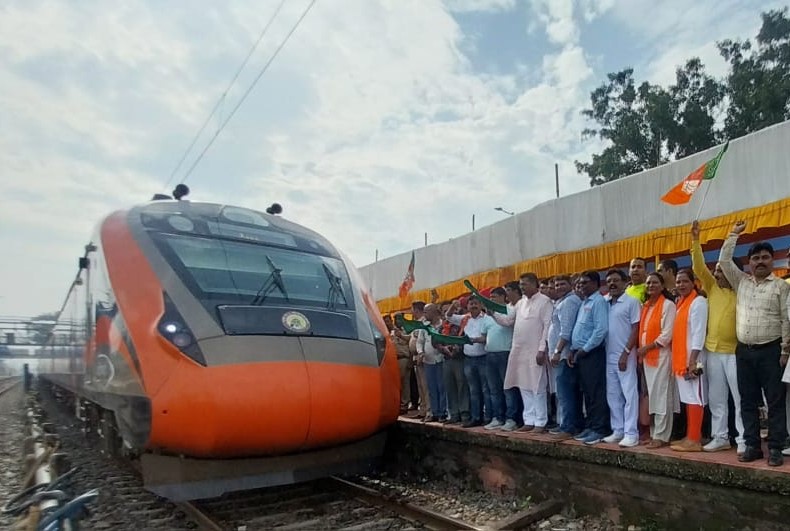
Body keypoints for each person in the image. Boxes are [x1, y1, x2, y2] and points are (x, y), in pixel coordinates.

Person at [719, 221, 790, 466]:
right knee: (747, 401)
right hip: (745, 352)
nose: (760, 261)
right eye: (756, 258)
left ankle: (777, 448)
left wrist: (785, 351)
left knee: (775, 401)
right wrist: (734, 235)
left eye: (765, 257)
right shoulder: (742, 282)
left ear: (772, 260)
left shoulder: (781, 286)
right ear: (749, 263)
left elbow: (786, 319)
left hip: (772, 351)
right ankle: (752, 446)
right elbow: (725, 261)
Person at [690, 220, 744, 454]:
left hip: (735, 352)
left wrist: (733, 235)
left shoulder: (743, 288)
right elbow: (699, 267)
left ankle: (743, 439)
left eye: (722, 271)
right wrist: (695, 241)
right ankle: (720, 436)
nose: (717, 274)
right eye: (717, 271)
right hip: (712, 351)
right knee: (717, 397)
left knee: (740, 398)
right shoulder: (712, 288)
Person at [492, 273, 554, 433]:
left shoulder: (544, 301)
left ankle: (540, 422)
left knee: (537, 385)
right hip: (519, 350)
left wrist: (542, 349)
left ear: (535, 284)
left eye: (525, 284)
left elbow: (547, 326)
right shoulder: (520, 303)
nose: (522, 287)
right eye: (520, 284)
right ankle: (529, 420)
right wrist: (493, 313)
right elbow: (508, 321)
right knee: (523, 385)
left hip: (535, 351)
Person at [670, 269, 708, 452]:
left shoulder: (698, 302)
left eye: (685, 281)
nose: (681, 285)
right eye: (678, 282)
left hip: (694, 358)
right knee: (688, 397)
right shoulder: (680, 303)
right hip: (680, 359)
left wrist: (692, 360)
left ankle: (694, 439)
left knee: (696, 397)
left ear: (694, 282)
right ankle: (690, 436)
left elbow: (699, 333)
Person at [570, 270, 611, 445]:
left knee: (596, 393)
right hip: (580, 353)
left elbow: (600, 330)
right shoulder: (584, 302)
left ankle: (600, 428)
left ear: (595, 283)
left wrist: (584, 349)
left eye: (585, 282)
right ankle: (591, 425)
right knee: (587, 392)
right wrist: (574, 350)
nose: (582, 286)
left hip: (592, 353)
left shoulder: (598, 301)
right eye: (580, 283)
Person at [637, 272, 677, 448]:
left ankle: (661, 435)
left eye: (654, 283)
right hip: (647, 359)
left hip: (661, 356)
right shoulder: (646, 306)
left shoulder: (668, 305)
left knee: (661, 396)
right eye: (648, 283)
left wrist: (648, 347)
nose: (651, 286)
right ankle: (654, 433)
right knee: (652, 397)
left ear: (662, 286)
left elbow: (667, 334)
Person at [603, 269, 641, 447]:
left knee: (629, 394)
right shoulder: (604, 302)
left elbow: (636, 328)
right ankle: (617, 430)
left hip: (626, 355)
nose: (612, 283)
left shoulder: (632, 302)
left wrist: (626, 352)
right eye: (609, 281)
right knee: (613, 395)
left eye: (616, 280)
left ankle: (631, 433)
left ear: (625, 282)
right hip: (608, 356)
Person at [548, 275, 584, 440]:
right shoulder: (562, 301)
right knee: (569, 392)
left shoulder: (569, 302)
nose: (559, 287)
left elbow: (566, 330)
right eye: (557, 284)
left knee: (566, 393)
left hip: (564, 355)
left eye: (563, 284)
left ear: (571, 285)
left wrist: (557, 351)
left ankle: (568, 427)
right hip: (564, 355)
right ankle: (573, 425)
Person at [480, 287, 517, 431]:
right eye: (491, 297)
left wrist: (493, 313)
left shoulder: (510, 310)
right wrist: (469, 340)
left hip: (505, 353)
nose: (492, 299)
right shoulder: (487, 316)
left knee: (507, 388)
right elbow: (484, 336)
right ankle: (498, 417)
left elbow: (508, 323)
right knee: (494, 389)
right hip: (490, 354)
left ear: (504, 297)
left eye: (495, 296)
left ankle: (511, 418)